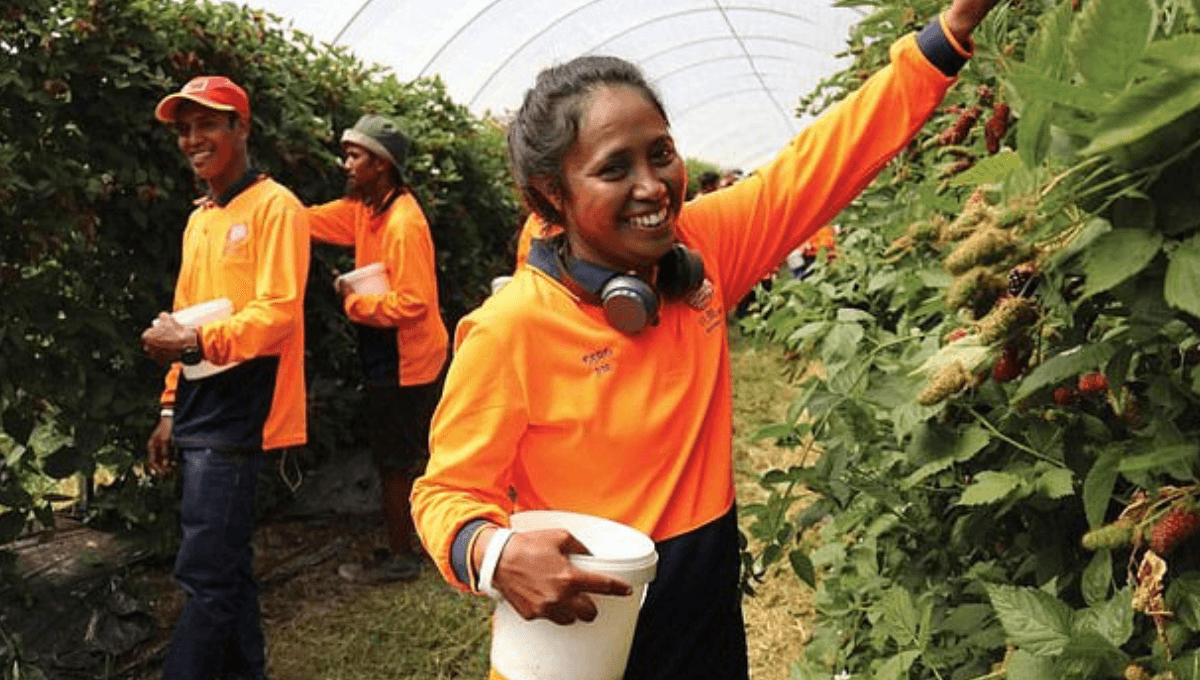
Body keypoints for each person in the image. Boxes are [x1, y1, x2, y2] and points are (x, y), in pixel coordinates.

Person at [411, 0, 999, 677]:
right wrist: (493, 553)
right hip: (578, 629)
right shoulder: (509, 330)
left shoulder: (703, 251)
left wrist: (948, 33)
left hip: (703, 608)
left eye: (660, 154)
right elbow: (444, 494)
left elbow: (822, 161)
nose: (652, 185)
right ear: (551, 195)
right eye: (614, 168)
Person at [141, 75, 310, 680]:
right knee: (225, 567)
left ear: (241, 128)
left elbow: (278, 314)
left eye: (208, 124)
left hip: (242, 405)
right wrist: (168, 408)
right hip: (198, 403)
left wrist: (193, 340)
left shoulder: (276, 208)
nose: (193, 139)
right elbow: (186, 311)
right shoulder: (201, 219)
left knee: (205, 572)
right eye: (185, 130)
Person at [306, 114, 449, 583]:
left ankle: (405, 556)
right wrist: (246, 206)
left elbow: (412, 303)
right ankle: (422, 538)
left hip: (406, 356)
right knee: (405, 453)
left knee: (395, 460)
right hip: (388, 348)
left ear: (382, 165)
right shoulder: (368, 211)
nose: (345, 164)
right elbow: (308, 220)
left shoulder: (403, 223)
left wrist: (353, 302)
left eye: (355, 156)